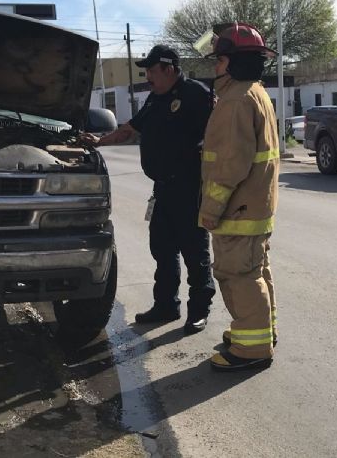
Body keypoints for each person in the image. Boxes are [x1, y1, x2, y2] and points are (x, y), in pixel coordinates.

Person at [80, 45, 216, 335]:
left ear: (169, 69)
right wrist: (99, 141)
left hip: (190, 188)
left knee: (195, 252)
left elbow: (218, 135)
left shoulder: (196, 95)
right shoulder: (155, 99)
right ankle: (166, 305)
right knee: (163, 249)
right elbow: (130, 129)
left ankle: (199, 311)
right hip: (163, 189)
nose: (148, 76)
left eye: (152, 71)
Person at [197, 23, 280, 371]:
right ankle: (259, 330)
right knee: (255, 270)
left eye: (219, 60)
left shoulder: (234, 101)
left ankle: (251, 348)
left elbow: (229, 166)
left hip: (238, 210)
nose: (215, 66)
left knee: (238, 275)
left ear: (232, 62)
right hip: (257, 207)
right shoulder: (256, 92)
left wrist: (210, 210)